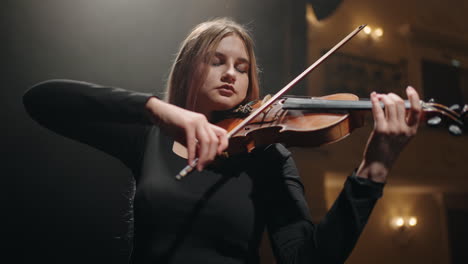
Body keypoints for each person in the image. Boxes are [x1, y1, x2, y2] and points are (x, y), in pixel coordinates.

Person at [23, 18, 421, 264]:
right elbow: (42, 100)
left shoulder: (267, 155)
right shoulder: (150, 137)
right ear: (188, 69)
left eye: (242, 68)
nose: (231, 73)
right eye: (217, 61)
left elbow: (307, 259)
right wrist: (156, 109)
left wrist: (374, 169)